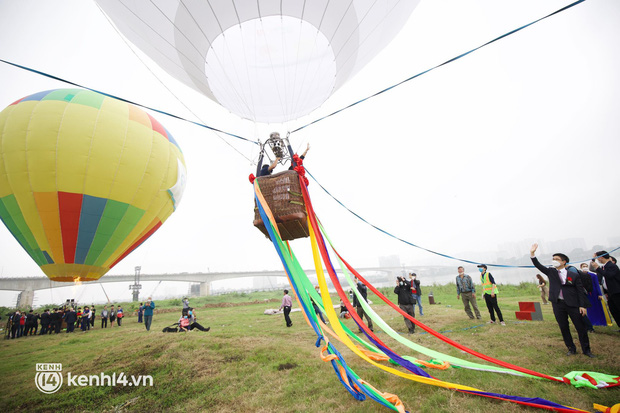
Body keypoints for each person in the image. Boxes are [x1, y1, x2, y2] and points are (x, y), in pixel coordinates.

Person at [530, 243, 593, 357]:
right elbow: (538, 265)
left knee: (580, 327)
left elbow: (579, 291)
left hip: (573, 304)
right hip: (558, 304)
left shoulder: (574, 274)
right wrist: (532, 253)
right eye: (553, 259)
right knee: (563, 327)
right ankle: (571, 348)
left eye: (557, 259)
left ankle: (586, 350)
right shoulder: (551, 272)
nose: (554, 261)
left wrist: (582, 306)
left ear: (564, 262)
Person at [591, 250, 620, 331]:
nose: (597, 260)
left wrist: (597, 267)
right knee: (614, 310)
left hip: (617, 292)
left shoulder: (611, 266)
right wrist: (606, 292)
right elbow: (604, 280)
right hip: (610, 293)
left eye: (597, 258)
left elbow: (609, 276)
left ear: (601, 257)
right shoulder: (604, 267)